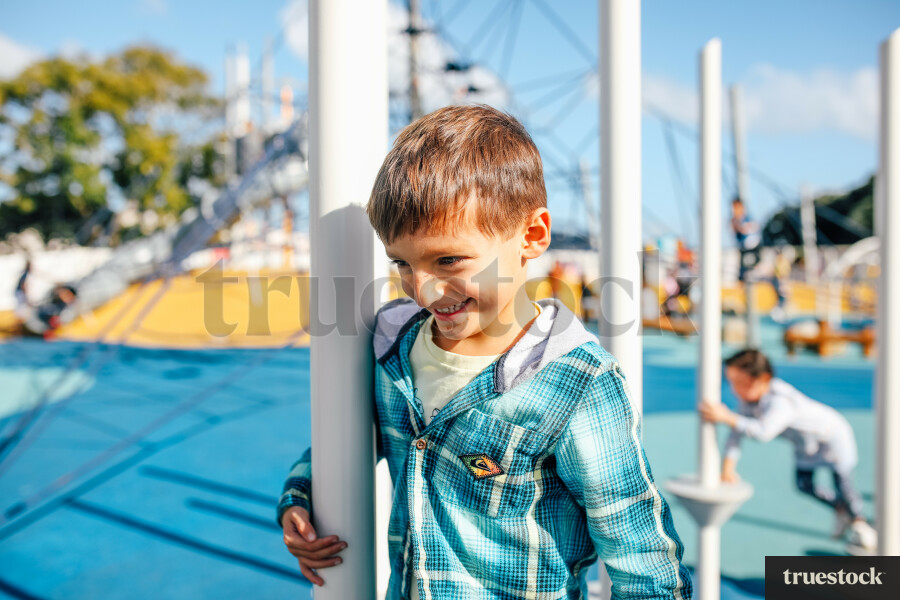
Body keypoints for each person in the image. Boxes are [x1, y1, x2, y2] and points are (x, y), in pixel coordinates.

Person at [277, 105, 691, 599]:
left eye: (448, 259)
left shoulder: (577, 383)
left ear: (532, 236)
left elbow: (640, 554)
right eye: (402, 264)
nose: (423, 290)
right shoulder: (392, 345)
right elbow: (343, 438)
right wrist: (301, 496)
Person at [698, 349, 877, 553]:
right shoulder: (748, 400)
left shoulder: (781, 400)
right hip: (805, 444)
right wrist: (728, 469)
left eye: (741, 382)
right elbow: (736, 434)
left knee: (843, 485)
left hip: (833, 438)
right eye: (731, 382)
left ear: (762, 379)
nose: (735, 389)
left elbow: (762, 432)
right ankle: (842, 510)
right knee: (804, 485)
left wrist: (727, 417)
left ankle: (860, 525)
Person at [730, 197, 761, 283]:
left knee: (752, 268)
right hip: (743, 249)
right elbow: (736, 229)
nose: (735, 210)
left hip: (753, 248)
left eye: (736, 207)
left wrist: (743, 227)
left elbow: (754, 227)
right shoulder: (734, 220)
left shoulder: (747, 218)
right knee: (743, 272)